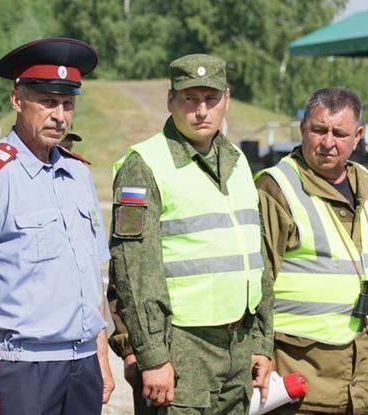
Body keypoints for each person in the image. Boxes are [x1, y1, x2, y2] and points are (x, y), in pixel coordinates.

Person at [0, 37, 114, 415]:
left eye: (67, 103)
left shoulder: (78, 174)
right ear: (16, 100)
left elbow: (91, 279)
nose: (59, 115)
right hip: (21, 368)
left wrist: (101, 355)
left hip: (83, 363)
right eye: (47, 102)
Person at [108, 53, 274, 415]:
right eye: (190, 99)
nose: (202, 111)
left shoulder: (237, 161)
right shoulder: (144, 165)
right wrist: (152, 357)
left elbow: (256, 257)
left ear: (227, 99)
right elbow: (134, 274)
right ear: (171, 100)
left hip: (238, 342)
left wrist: (262, 341)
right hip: (181, 347)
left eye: (211, 99)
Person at [255, 87, 368, 414]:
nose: (328, 142)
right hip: (299, 374)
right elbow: (256, 281)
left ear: (357, 137)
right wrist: (258, 353)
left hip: (360, 377)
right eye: (319, 130)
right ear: (302, 129)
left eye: (339, 133)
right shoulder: (277, 186)